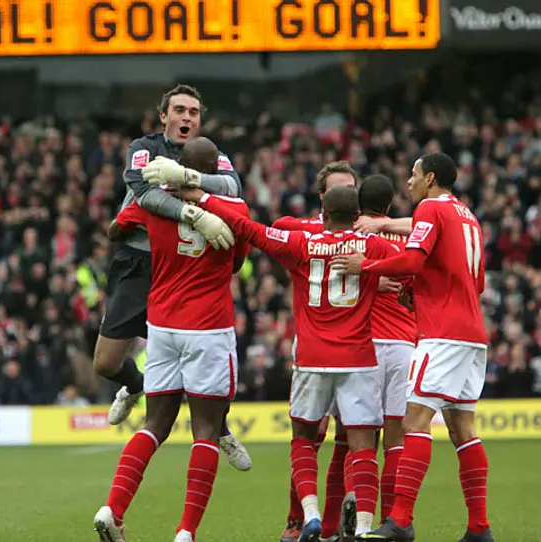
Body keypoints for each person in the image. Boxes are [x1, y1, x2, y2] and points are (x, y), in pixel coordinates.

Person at [181, 185, 400, 542]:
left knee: (303, 439)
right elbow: (410, 263)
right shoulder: (373, 247)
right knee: (362, 446)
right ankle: (362, 528)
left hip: (312, 359)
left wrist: (201, 197)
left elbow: (249, 228)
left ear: (323, 216)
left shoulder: (301, 243)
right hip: (358, 358)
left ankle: (310, 515)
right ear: (358, 218)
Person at [94, 137, 251, 542]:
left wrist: (140, 214)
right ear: (214, 171)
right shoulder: (232, 209)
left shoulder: (151, 203)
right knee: (205, 430)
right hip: (209, 328)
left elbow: (114, 230)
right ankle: (185, 532)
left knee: (153, 425)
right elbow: (236, 264)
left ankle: (112, 507)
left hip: (163, 326)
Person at [331, 153, 492, 542]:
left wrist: (364, 268)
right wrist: (418, 293)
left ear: (430, 178)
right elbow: (478, 281)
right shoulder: (467, 216)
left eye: (414, 175)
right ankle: (479, 528)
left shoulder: (429, 208)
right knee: (463, 429)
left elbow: (414, 259)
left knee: (414, 423)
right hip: (472, 334)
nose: (409, 182)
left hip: (441, 335)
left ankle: (400, 519)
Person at [272, 165, 404, 542]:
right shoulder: (308, 230)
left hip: (359, 346)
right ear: (323, 200)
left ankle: (336, 525)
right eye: (341, 190)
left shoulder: (370, 234)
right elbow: (280, 225)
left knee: (351, 438)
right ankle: (298, 518)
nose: (351, 197)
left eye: (353, 189)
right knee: (314, 433)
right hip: (317, 342)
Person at [357, 174, 417, 525]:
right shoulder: (411, 235)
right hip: (404, 346)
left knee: (360, 437)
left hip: (364, 345)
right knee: (396, 438)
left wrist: (368, 277)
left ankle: (358, 515)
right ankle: (391, 519)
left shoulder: (356, 233)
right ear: (391, 203)